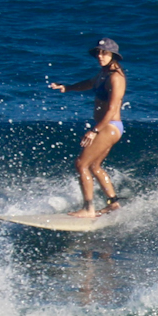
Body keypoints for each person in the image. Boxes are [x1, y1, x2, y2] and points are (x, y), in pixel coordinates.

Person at [47, 39, 127, 218]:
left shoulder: (116, 77)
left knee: (81, 164)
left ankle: (88, 208)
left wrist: (94, 131)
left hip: (109, 126)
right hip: (107, 127)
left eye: (104, 53)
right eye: (98, 53)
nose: (100, 56)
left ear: (113, 55)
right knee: (94, 166)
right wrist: (67, 88)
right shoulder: (103, 73)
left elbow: (113, 109)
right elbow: (88, 83)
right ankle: (113, 203)